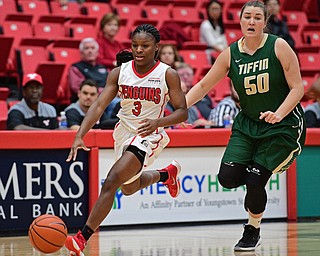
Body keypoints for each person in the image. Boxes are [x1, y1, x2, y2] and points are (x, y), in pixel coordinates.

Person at [185, 1, 306, 251]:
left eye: (257, 18)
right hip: (247, 125)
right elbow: (203, 87)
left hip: (282, 126)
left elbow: (298, 88)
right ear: (240, 21)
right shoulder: (230, 54)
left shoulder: (278, 46)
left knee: (254, 180)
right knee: (227, 178)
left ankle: (252, 229)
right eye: (247, 17)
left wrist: (279, 113)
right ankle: (254, 175)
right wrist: (177, 111)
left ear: (265, 22)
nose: (251, 22)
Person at [64, 24, 188, 255]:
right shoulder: (119, 72)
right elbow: (99, 105)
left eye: (145, 46)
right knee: (129, 188)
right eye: (135, 45)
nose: (139, 50)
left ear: (156, 48)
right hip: (124, 132)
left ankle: (82, 238)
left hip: (149, 135)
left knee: (111, 180)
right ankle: (166, 174)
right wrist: (80, 134)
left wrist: (158, 123)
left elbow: (182, 112)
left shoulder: (167, 74)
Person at [68, 37, 108, 103]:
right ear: (81, 53)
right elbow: (77, 88)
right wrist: (105, 92)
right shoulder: (76, 68)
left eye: (92, 48)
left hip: (107, 99)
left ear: (97, 52)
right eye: (86, 48)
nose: (90, 51)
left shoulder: (104, 68)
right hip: (88, 100)